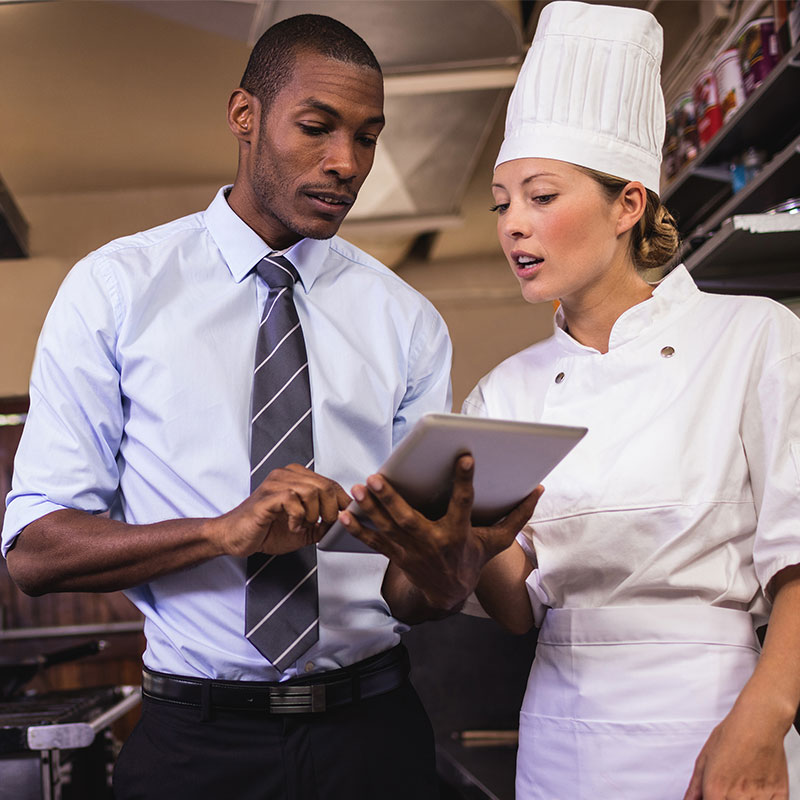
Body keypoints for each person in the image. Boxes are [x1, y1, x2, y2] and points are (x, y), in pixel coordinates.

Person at [1, 14, 537, 800]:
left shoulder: (407, 321)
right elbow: (35, 551)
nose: (346, 163)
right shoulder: (115, 291)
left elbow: (409, 593)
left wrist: (448, 569)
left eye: (367, 136)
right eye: (317, 128)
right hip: (194, 747)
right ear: (243, 116)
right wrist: (224, 532)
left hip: (374, 735)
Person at [339, 3, 800, 799]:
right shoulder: (506, 392)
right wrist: (455, 548)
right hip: (560, 737)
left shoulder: (752, 337)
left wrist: (762, 721)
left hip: (715, 718)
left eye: (542, 196)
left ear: (628, 207)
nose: (514, 225)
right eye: (502, 201)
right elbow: (518, 610)